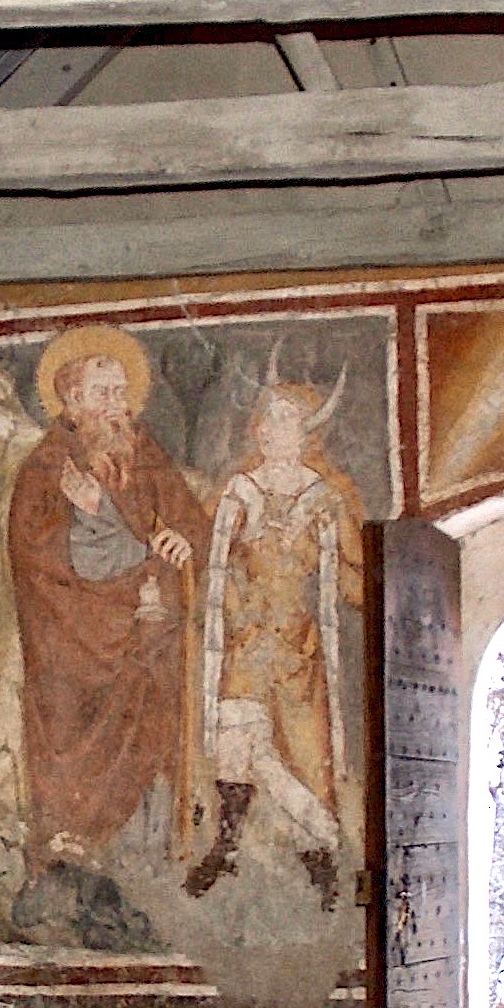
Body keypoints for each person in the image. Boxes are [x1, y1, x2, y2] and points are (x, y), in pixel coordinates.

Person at [1, 323, 204, 944]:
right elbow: (36, 558)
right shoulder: (46, 468)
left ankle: (137, 880)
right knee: (70, 755)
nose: (119, 406)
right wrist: (101, 524)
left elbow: (189, 520)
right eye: (104, 393)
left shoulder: (145, 454)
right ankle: (68, 877)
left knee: (147, 745)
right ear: (70, 401)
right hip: (70, 651)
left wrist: (183, 539)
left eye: (122, 392)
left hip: (146, 646)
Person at [188, 368, 362, 900]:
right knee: (236, 742)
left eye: (285, 423)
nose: (271, 431)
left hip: (297, 647)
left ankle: (319, 857)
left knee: (304, 754)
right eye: (267, 422)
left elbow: (351, 570)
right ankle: (228, 844)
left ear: (305, 435)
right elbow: (208, 559)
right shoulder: (239, 492)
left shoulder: (324, 498)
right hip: (245, 641)